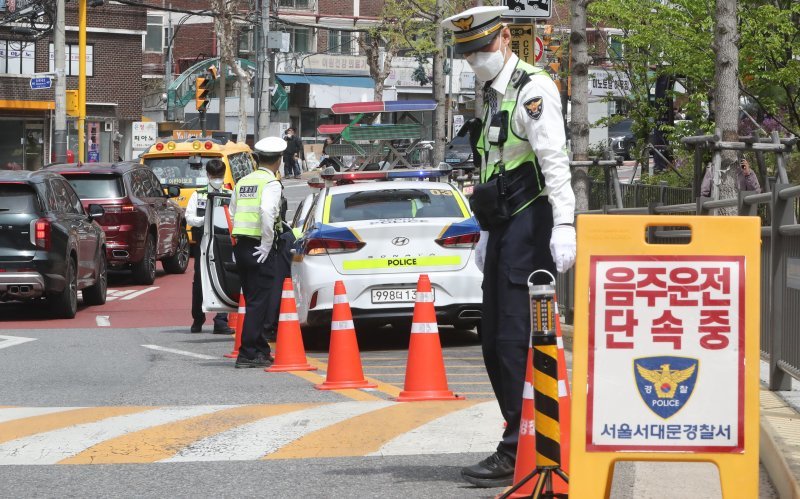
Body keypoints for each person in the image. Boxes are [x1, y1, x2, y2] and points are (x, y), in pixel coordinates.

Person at [442, 6, 577, 488]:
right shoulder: (493, 94)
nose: (475, 58)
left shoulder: (533, 89)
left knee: (518, 340)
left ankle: (527, 446)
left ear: (503, 40)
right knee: (494, 340)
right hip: (502, 226)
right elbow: (490, 165)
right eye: (467, 52)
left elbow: (554, 160)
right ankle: (518, 435)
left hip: (531, 223)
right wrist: (482, 231)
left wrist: (564, 223)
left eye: (481, 48)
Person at [229, 136, 286, 368]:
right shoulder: (271, 183)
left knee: (253, 298)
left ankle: (260, 349)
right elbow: (267, 212)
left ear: (258, 158)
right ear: (279, 160)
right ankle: (248, 353)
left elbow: (232, 212)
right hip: (260, 246)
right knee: (258, 302)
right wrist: (266, 242)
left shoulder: (244, 181)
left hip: (242, 244)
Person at [185, 159, 233, 334]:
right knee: (199, 280)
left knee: (223, 278)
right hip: (202, 242)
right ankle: (197, 319)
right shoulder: (198, 194)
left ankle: (221, 321)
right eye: (214, 176)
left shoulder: (229, 194)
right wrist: (204, 221)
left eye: (219, 176)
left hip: (223, 242)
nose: (217, 179)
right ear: (207, 175)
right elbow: (189, 217)